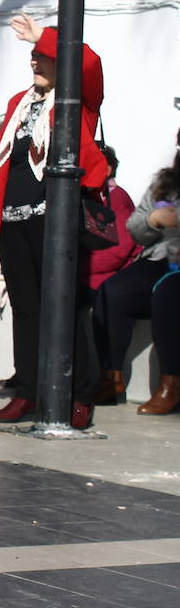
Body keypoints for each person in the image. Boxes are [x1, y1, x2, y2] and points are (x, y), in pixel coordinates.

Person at [0, 14, 106, 429]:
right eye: (32, 55)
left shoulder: (77, 99)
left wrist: (43, 36)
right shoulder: (19, 102)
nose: (35, 60)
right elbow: (0, 163)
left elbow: (89, 63)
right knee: (26, 311)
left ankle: (78, 395)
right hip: (14, 221)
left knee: (63, 306)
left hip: (57, 221)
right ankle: (28, 391)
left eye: (44, 55)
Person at [92, 129, 180, 412]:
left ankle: (172, 383)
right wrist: (154, 219)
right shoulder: (165, 184)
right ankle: (111, 378)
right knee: (113, 291)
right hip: (160, 258)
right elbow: (135, 228)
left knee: (167, 293)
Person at [85, 145, 138, 296]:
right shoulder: (91, 198)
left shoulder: (118, 199)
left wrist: (83, 265)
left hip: (105, 279)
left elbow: (119, 252)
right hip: (89, 276)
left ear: (107, 169)